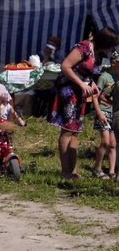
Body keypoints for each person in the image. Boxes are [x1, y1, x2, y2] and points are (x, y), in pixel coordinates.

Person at [48, 28, 119, 180]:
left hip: (81, 94)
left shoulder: (97, 53)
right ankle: (65, 171)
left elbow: (86, 73)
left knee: (76, 132)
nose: (111, 49)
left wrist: (91, 83)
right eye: (111, 45)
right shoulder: (84, 47)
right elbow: (66, 66)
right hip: (69, 92)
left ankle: (72, 171)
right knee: (67, 131)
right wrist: (81, 83)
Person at [91, 49, 119, 179]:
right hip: (103, 111)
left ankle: (112, 170)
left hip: (113, 112)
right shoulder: (104, 76)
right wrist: (99, 112)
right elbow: (95, 96)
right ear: (113, 62)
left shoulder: (117, 77)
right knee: (105, 142)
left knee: (113, 144)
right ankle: (97, 168)